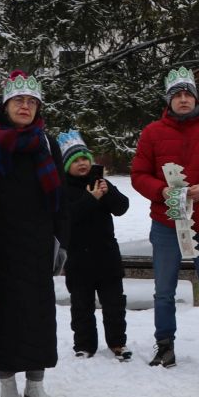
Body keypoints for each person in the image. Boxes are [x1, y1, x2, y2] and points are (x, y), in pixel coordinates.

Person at [0, 72, 68, 397]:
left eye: (31, 102)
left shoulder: (47, 144)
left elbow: (61, 198)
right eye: (18, 101)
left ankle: (35, 384)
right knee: (4, 316)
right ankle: (7, 383)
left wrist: (61, 240)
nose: (25, 107)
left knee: (39, 315)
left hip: (38, 242)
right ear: (5, 105)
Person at [130, 67, 199, 369]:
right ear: (169, 100)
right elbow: (138, 174)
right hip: (166, 224)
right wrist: (161, 191)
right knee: (164, 291)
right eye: (177, 95)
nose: (183, 99)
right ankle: (165, 346)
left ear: (196, 97)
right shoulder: (153, 132)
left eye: (188, 93)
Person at [60, 130, 131, 361]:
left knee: (114, 305)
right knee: (81, 307)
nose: (82, 164)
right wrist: (90, 200)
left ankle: (117, 343)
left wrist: (107, 193)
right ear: (66, 165)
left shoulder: (101, 183)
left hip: (107, 257)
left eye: (85, 159)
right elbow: (67, 218)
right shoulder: (63, 189)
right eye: (75, 160)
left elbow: (122, 207)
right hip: (78, 259)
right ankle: (84, 345)